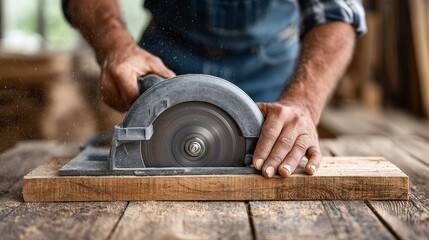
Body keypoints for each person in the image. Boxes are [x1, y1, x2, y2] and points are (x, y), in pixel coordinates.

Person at [62, 0, 366, 178]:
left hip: (265, 66)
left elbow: (338, 9)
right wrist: (115, 46)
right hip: (164, 60)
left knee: (272, 162)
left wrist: (303, 102)